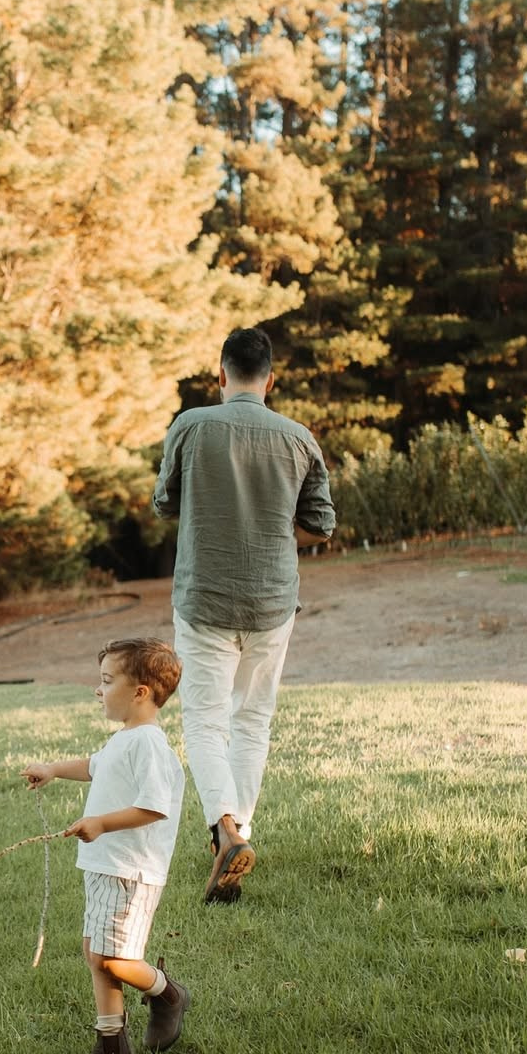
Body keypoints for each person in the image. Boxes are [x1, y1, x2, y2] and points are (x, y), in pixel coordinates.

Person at [152, 323, 335, 905]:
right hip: (272, 600)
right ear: (271, 380)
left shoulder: (191, 425)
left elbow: (164, 503)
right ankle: (238, 838)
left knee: (205, 721)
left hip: (204, 597)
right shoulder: (299, 438)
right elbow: (321, 524)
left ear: (221, 373)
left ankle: (225, 832)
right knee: (251, 720)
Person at [21, 638, 188, 1054]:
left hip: (131, 868)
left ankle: (168, 993)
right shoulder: (125, 739)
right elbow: (94, 766)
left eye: (107, 681)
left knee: (114, 958)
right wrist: (54, 769)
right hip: (104, 864)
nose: (99, 690)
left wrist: (100, 823)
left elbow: (154, 806)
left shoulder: (149, 744)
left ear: (141, 692)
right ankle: (112, 1046)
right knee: (96, 952)